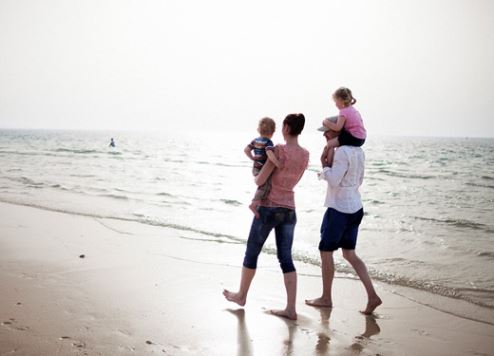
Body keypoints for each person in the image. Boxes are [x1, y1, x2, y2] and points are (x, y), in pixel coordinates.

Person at [224, 113, 310, 320]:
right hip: (289, 209)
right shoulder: (305, 154)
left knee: (252, 252)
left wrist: (257, 173)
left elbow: (260, 180)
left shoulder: (279, 150)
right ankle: (291, 308)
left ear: (287, 128)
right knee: (286, 258)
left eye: (283, 126)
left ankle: (242, 295)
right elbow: (294, 179)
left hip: (269, 207)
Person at [305, 125, 382, 315]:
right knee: (349, 254)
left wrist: (324, 168)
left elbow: (334, 180)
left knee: (325, 251)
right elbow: (359, 179)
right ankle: (372, 296)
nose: (324, 134)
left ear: (338, 133)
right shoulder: (358, 151)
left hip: (339, 209)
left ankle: (326, 298)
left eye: (327, 131)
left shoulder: (342, 152)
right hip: (355, 206)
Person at [244, 117, 282, 218]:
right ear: (273, 131)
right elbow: (269, 153)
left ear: (259, 129)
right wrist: (277, 163)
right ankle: (254, 203)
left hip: (255, 168)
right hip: (261, 169)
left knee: (263, 185)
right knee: (265, 185)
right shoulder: (268, 142)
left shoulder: (255, 141)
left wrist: (252, 158)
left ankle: (259, 200)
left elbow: (246, 150)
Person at [319, 87, 366, 166]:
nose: (335, 104)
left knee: (330, 144)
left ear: (340, 100)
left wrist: (326, 122)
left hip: (353, 137)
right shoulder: (352, 109)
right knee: (333, 143)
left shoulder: (343, 111)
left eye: (335, 101)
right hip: (362, 138)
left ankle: (329, 166)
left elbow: (338, 127)